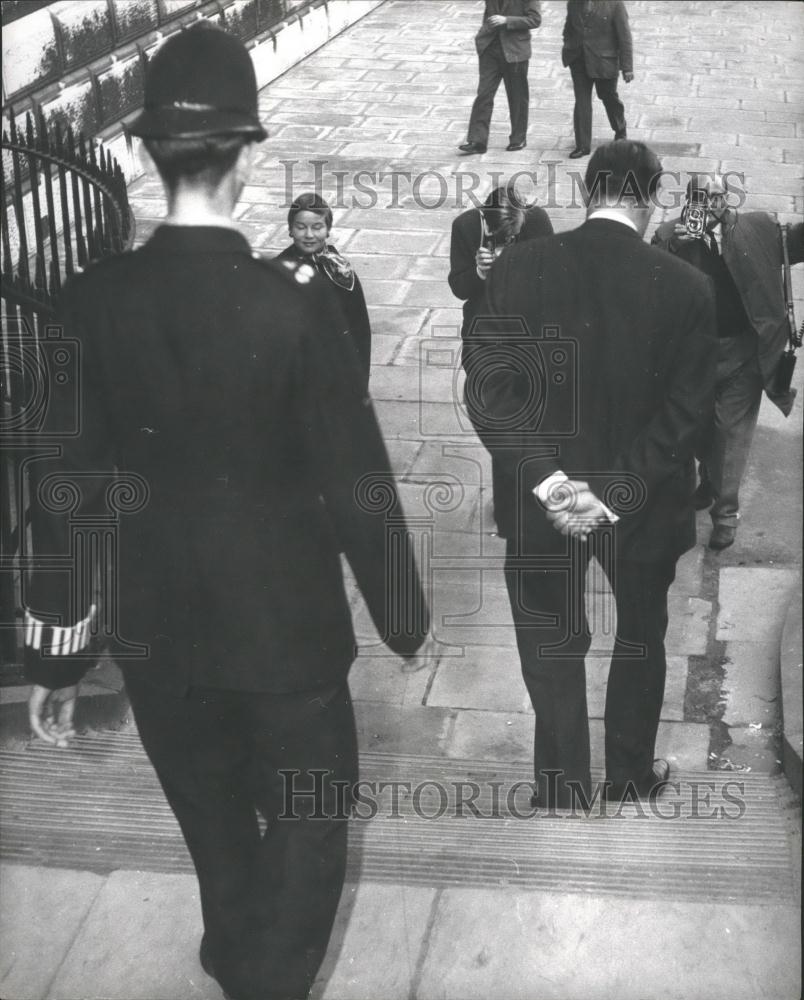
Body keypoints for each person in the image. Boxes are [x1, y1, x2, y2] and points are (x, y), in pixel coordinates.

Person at [23, 22, 429, 1000]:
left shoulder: (88, 302)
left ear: (148, 154)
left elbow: (64, 489)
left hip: (160, 642)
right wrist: (402, 612)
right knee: (310, 824)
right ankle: (266, 976)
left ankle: (233, 952)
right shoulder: (295, 306)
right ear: (246, 155)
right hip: (288, 641)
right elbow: (356, 478)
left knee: (212, 823)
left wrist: (58, 656)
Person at [463, 140, 716, 810]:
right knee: (639, 635)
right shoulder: (688, 287)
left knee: (550, 639)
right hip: (642, 504)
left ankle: (562, 786)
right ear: (652, 194)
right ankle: (629, 775)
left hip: (538, 505)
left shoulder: (518, 267)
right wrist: (608, 493)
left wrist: (551, 484)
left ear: (587, 191)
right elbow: (687, 416)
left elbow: (490, 393)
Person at [652, 175, 803, 550]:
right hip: (694, 357)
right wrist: (674, 246)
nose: (715, 204)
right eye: (705, 197)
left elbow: (796, 241)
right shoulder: (671, 234)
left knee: (731, 435)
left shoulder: (757, 228)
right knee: (703, 431)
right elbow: (651, 280)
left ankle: (726, 515)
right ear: (691, 201)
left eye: (720, 196)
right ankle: (709, 481)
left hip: (743, 354)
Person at [449, 182, 553, 532]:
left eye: (514, 237)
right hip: (485, 336)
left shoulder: (537, 221)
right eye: (501, 237)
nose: (507, 242)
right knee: (499, 419)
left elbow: (551, 278)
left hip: (529, 336)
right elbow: (459, 287)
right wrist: (479, 273)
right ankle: (509, 510)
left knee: (533, 418)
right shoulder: (465, 227)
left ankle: (535, 491)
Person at [277, 192, 372, 384]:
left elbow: (358, 328)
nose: (309, 235)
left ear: (328, 230)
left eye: (317, 227)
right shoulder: (278, 270)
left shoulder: (340, 270)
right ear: (290, 230)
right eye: (301, 227)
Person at [458, 0, 542, 156]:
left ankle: (518, 139)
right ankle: (478, 141)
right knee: (484, 94)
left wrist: (507, 20)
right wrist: (481, 37)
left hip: (515, 50)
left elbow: (535, 20)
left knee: (517, 96)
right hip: (490, 48)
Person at [561, 0, 633, 159]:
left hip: (604, 62)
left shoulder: (615, 5)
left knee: (608, 97)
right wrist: (568, 46)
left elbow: (625, 37)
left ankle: (620, 130)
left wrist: (627, 67)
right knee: (582, 101)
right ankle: (582, 145)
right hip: (579, 61)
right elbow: (568, 28)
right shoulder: (573, 3)